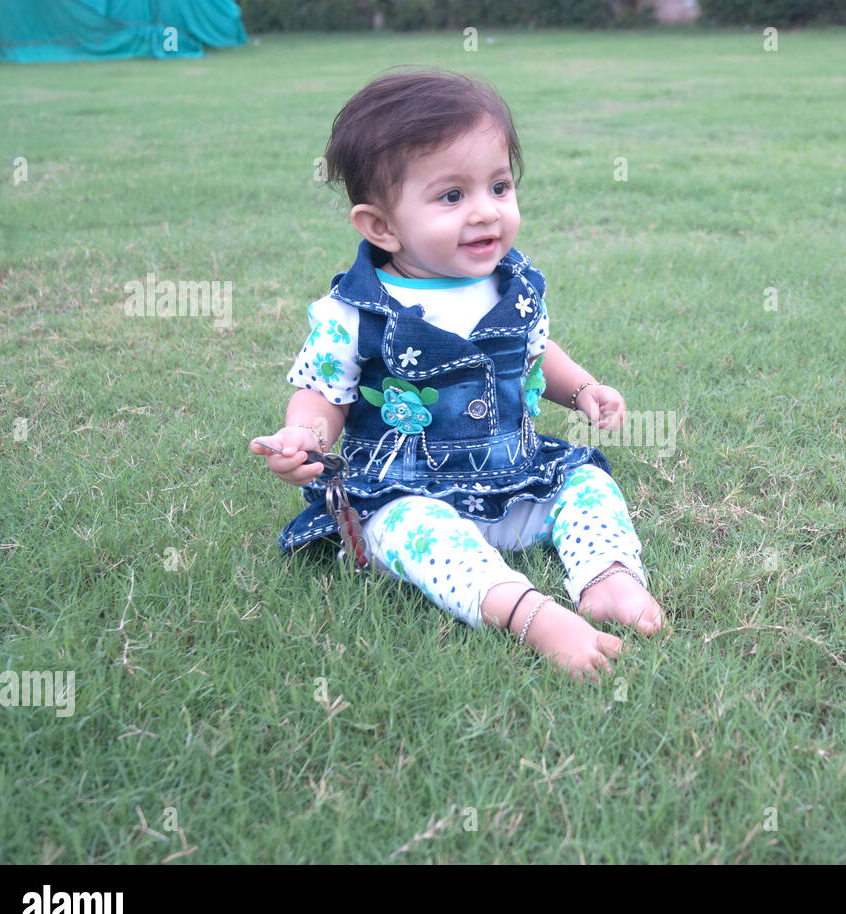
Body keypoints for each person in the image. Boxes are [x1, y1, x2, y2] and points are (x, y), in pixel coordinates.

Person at [249, 68, 664, 681]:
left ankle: (607, 576)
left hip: (516, 478)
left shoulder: (511, 285)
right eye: (452, 196)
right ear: (381, 227)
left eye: (499, 187)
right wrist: (303, 439)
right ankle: (526, 613)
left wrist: (582, 389)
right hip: (404, 492)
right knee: (421, 538)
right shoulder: (354, 312)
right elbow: (321, 393)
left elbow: (534, 352)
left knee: (587, 486)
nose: (485, 213)